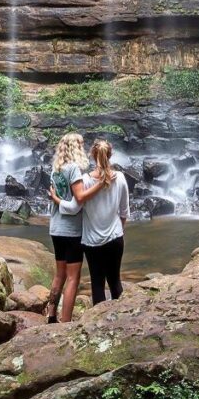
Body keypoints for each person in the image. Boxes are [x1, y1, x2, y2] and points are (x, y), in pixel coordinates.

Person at [52, 138, 128, 305]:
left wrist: (56, 199)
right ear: (110, 155)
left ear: (93, 156)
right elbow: (124, 212)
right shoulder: (120, 178)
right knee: (115, 282)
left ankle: (98, 325)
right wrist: (117, 232)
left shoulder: (85, 180)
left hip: (92, 242)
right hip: (115, 238)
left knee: (97, 284)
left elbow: (74, 208)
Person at [46, 132, 105, 323]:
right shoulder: (73, 170)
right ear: (75, 147)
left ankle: (51, 315)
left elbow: (59, 201)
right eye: (81, 144)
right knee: (73, 278)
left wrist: (55, 199)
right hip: (71, 231)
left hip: (55, 229)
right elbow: (76, 203)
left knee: (59, 274)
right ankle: (66, 321)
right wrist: (100, 185)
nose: (83, 146)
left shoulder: (56, 170)